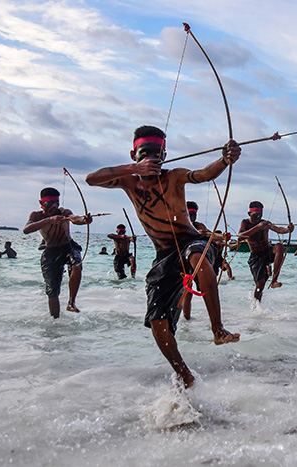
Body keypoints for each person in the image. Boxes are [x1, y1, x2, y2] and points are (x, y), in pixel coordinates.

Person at [85, 125, 240, 389]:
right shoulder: (128, 181)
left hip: (191, 242)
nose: (152, 158)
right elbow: (91, 179)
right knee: (158, 322)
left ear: (165, 155)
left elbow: (203, 174)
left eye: (157, 154)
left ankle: (217, 329)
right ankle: (185, 376)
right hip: (162, 255)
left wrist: (225, 159)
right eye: (145, 153)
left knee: (199, 261)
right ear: (134, 154)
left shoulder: (174, 176)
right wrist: (134, 169)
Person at [23, 187, 92, 317]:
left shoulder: (64, 212)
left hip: (68, 247)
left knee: (77, 264)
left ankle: (71, 303)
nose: (55, 206)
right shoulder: (36, 216)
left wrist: (84, 220)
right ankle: (55, 321)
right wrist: (49, 220)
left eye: (57, 203)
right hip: (51, 251)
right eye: (51, 203)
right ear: (42, 203)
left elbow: (74, 218)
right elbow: (26, 230)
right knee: (52, 290)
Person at [238, 201, 294, 302]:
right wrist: (258, 227)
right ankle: (256, 306)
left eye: (261, 214)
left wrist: (287, 230)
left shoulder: (265, 222)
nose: (259, 216)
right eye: (256, 214)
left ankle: (274, 280)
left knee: (279, 246)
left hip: (267, 252)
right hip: (256, 256)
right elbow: (240, 237)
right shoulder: (245, 223)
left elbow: (278, 229)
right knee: (260, 285)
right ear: (249, 213)